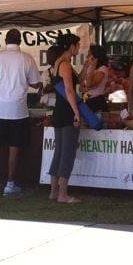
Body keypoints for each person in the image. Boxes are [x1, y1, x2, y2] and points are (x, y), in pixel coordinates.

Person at [0, 28, 41, 197]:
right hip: (17, 110)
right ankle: (9, 185)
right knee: (14, 148)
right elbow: (36, 84)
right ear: (20, 41)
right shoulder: (27, 59)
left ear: (5, 40)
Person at [48, 32, 83, 204]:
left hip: (59, 111)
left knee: (59, 151)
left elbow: (77, 83)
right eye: (78, 45)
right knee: (67, 153)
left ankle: (54, 192)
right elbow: (70, 90)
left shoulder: (58, 63)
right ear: (71, 47)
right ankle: (63, 194)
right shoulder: (65, 65)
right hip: (67, 111)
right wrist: (76, 112)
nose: (79, 48)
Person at [81, 44, 110, 113]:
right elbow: (80, 83)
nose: (87, 56)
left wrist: (92, 67)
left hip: (96, 101)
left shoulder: (102, 69)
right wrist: (85, 68)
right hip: (87, 99)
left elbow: (89, 84)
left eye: (89, 54)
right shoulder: (90, 67)